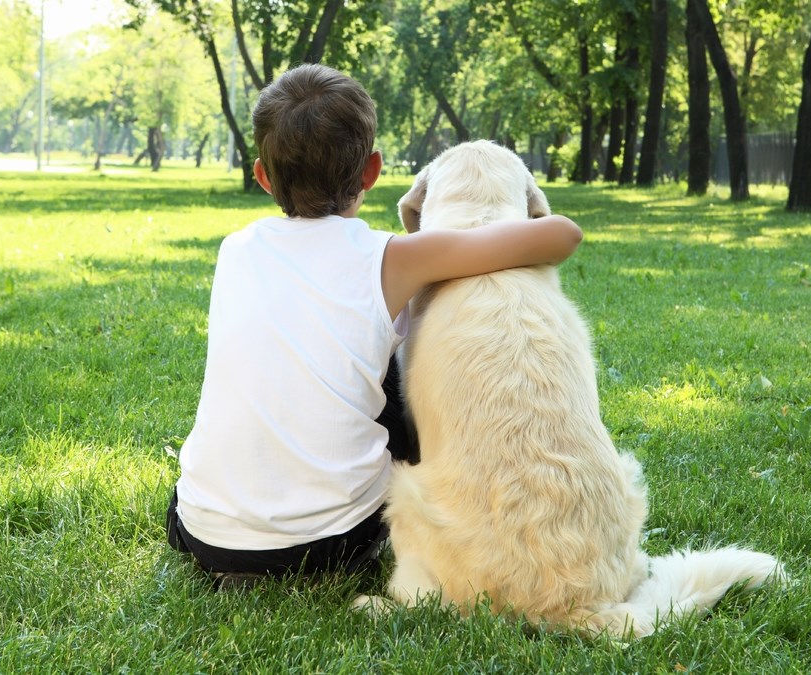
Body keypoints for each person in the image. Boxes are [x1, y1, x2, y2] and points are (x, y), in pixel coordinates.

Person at [166, 63, 583, 587]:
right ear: (372, 171)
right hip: (333, 545)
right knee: (393, 374)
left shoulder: (235, 250)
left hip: (203, 535)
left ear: (263, 177)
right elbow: (562, 235)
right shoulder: (392, 258)